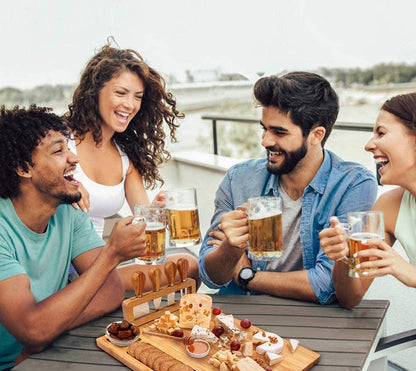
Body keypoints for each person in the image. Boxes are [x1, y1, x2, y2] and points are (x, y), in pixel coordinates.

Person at [199, 71, 378, 304]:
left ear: (316, 135)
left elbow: (327, 283)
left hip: (307, 321)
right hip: (240, 316)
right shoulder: (239, 178)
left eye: (279, 132)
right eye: (264, 128)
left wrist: (247, 276)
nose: (265, 141)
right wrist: (231, 250)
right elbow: (210, 275)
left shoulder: (353, 185)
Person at [0, 105, 147, 371]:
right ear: (23, 167)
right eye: (58, 151)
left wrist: (48, 330)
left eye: (68, 148)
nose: (74, 159)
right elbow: (32, 327)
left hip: (41, 354)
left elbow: (111, 290)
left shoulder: (67, 208)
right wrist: (112, 253)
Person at [64, 43, 199, 290]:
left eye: (137, 97)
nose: (130, 104)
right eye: (121, 93)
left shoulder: (124, 158)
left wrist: (157, 211)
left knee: (188, 265)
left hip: (100, 265)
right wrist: (63, 187)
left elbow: (143, 226)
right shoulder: (60, 141)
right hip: (65, 267)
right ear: (95, 92)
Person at [319, 92, 416, 308]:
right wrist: (343, 258)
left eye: (381, 133)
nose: (369, 145)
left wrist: (411, 273)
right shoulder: (389, 207)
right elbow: (350, 298)